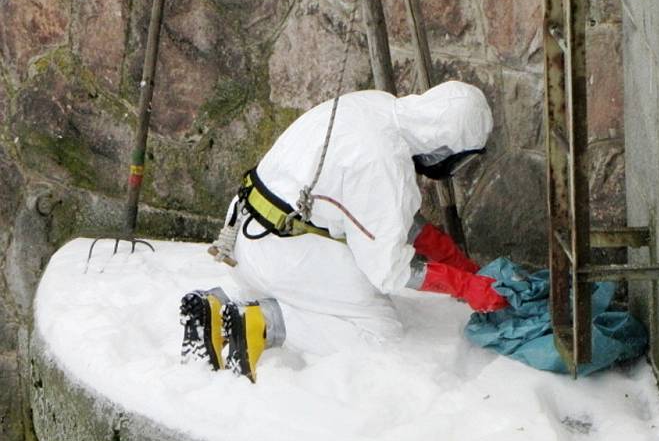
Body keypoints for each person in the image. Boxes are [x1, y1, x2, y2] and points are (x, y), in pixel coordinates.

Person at [180, 81, 508, 382]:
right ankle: (257, 322)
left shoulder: (374, 106)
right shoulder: (383, 160)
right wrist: (464, 285)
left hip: (244, 232)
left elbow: (378, 213)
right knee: (380, 330)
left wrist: (449, 255)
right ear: (446, 146)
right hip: (281, 252)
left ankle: (218, 306)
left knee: (330, 278)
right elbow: (389, 272)